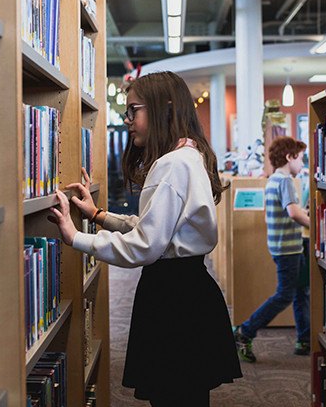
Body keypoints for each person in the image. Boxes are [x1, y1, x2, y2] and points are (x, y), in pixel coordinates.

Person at [49, 71, 242, 407]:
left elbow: (146, 245)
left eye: (133, 110)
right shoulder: (188, 156)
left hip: (173, 299)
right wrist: (99, 216)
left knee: (174, 396)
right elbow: (160, 228)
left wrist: (76, 237)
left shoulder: (171, 165)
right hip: (190, 289)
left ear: (163, 109)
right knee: (186, 395)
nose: (127, 121)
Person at [233, 136, 311, 362]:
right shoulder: (285, 181)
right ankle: (245, 331)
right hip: (288, 249)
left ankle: (304, 338)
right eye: (300, 158)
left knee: (300, 291)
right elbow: (294, 213)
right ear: (289, 157)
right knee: (285, 295)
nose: (303, 164)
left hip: (283, 246)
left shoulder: (272, 180)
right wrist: (319, 225)